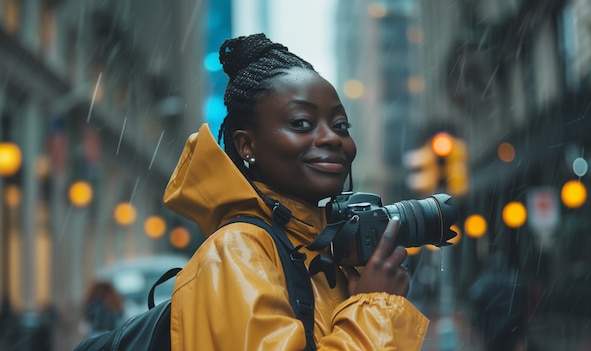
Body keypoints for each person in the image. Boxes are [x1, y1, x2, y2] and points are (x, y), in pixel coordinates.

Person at [163, 33, 429, 350]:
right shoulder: (236, 250)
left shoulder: (322, 249)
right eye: (302, 123)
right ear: (246, 145)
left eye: (341, 125)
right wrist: (376, 307)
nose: (332, 138)